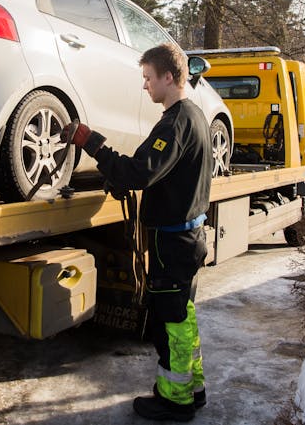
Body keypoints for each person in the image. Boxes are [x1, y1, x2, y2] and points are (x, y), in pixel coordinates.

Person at [61, 42, 212, 422]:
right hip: (188, 238)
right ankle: (192, 390)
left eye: (148, 78)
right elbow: (164, 175)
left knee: (168, 323)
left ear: (168, 76)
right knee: (183, 318)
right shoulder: (195, 117)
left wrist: (91, 143)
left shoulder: (175, 122)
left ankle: (174, 401)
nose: (145, 86)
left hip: (172, 243)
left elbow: (137, 173)